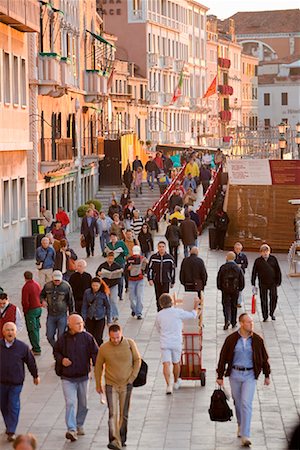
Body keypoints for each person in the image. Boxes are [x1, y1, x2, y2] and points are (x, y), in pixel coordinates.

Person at [216, 313, 271, 447]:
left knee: (246, 403)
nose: (251, 324)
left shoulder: (257, 340)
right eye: (248, 322)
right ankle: (240, 424)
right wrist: (220, 375)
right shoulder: (231, 339)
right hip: (235, 374)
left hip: (250, 375)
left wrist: (267, 374)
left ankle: (246, 434)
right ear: (241, 324)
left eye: (252, 322)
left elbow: (264, 357)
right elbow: (223, 357)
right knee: (238, 402)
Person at [95, 324, 141, 450]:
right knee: (112, 413)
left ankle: (121, 437)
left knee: (123, 413)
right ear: (109, 336)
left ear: (121, 334)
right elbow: (98, 366)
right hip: (111, 384)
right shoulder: (104, 348)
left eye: (117, 337)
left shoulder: (129, 344)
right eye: (113, 338)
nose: (115, 340)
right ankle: (114, 440)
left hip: (126, 384)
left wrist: (132, 377)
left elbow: (137, 360)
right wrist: (98, 384)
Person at [53, 314, 98, 442]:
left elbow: (95, 352)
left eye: (81, 323)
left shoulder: (87, 337)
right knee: (70, 402)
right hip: (67, 377)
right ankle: (71, 429)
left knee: (83, 403)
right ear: (70, 325)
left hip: (83, 376)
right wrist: (62, 360)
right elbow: (56, 351)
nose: (80, 325)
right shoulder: (63, 339)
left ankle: (79, 424)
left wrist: (98, 367)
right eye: (77, 323)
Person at [0, 322, 40, 442]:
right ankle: (9, 424)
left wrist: (35, 376)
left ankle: (11, 430)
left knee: (13, 404)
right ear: (3, 332)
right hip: (1, 382)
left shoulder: (22, 347)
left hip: (16, 382)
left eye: (12, 330)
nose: (10, 332)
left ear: (16, 332)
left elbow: (31, 362)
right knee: (3, 405)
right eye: (7, 330)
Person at [155, 294, 199, 394]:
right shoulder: (177, 312)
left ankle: (168, 385)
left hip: (164, 341)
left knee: (166, 363)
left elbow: (158, 328)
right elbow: (193, 315)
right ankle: (175, 381)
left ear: (161, 304)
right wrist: (196, 305)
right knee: (176, 362)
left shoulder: (159, 315)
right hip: (176, 341)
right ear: (171, 302)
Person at [40, 270, 74, 347]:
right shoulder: (47, 286)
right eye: (55, 280)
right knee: (49, 335)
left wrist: (71, 314)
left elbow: (71, 301)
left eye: (58, 280)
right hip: (51, 314)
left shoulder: (66, 286)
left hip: (62, 315)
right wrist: (42, 301)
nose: (57, 282)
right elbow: (42, 295)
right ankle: (56, 348)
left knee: (61, 336)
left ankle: (60, 350)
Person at [251, 244, 282, 322]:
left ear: (269, 252)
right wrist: (253, 282)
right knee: (263, 299)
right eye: (263, 252)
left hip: (273, 282)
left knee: (274, 297)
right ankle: (265, 315)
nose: (265, 253)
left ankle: (272, 312)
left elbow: (278, 270)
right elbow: (254, 272)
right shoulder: (258, 261)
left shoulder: (273, 259)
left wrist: (279, 281)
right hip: (262, 283)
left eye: (266, 251)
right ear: (260, 253)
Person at [217, 252, 245, 330]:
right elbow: (241, 279)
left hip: (225, 289)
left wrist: (220, 287)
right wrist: (240, 288)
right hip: (235, 289)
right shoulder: (237, 268)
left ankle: (227, 320)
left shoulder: (223, 267)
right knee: (234, 306)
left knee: (226, 305)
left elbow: (219, 278)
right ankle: (233, 322)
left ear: (227, 258)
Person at [81, 277, 111, 346]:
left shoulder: (103, 293)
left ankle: (98, 351)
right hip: (90, 317)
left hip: (100, 317)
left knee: (98, 337)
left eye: (97, 286)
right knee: (90, 336)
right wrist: (83, 319)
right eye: (93, 285)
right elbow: (84, 306)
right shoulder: (87, 292)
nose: (95, 287)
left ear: (100, 285)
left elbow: (108, 307)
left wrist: (109, 320)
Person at [147, 241, 176, 312]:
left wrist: (172, 282)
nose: (161, 248)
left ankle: (165, 312)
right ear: (157, 247)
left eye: (163, 247)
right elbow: (149, 269)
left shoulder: (169, 258)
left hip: (166, 281)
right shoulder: (153, 257)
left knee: (165, 298)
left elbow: (172, 271)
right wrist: (150, 279)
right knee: (158, 297)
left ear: (165, 248)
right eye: (160, 247)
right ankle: (159, 311)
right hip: (156, 280)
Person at [96, 252, 123, 322]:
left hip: (113, 285)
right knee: (107, 301)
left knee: (113, 300)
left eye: (112, 258)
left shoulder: (117, 265)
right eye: (109, 258)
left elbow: (120, 276)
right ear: (107, 258)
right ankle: (108, 315)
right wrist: (99, 274)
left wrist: (119, 272)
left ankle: (115, 315)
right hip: (105, 285)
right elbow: (97, 274)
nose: (110, 260)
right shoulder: (102, 265)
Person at [21, 272, 42, 355]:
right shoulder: (36, 284)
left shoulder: (26, 287)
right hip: (38, 309)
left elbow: (25, 301)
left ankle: (36, 348)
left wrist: (25, 311)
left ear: (25, 277)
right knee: (36, 329)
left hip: (31, 310)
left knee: (32, 330)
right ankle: (37, 346)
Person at [103, 233, 129, 301]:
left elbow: (126, 252)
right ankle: (111, 292)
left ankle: (120, 294)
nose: (113, 238)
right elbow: (104, 254)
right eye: (111, 237)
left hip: (120, 262)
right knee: (111, 277)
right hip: (111, 263)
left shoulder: (121, 243)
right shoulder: (109, 245)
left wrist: (122, 252)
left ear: (116, 237)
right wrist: (106, 252)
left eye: (114, 237)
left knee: (120, 278)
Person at [125, 245, 147, 320]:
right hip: (131, 280)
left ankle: (139, 313)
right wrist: (128, 269)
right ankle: (134, 309)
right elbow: (125, 270)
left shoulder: (143, 259)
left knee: (139, 296)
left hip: (140, 279)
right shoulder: (129, 259)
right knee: (131, 297)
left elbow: (147, 268)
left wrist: (144, 268)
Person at [234, 242, 249, 308]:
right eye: (236, 249)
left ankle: (239, 302)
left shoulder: (243, 256)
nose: (237, 250)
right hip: (233, 275)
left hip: (241, 274)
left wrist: (241, 265)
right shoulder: (232, 255)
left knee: (240, 288)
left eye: (239, 249)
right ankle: (234, 300)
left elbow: (246, 265)